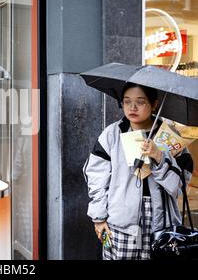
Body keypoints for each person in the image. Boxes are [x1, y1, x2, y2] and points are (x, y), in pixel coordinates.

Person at [83, 82, 193, 260]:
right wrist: (99, 217)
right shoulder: (112, 134)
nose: (132, 107)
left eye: (140, 102)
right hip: (120, 224)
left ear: (154, 104)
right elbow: (96, 178)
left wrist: (159, 156)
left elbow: (179, 187)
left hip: (162, 226)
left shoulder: (172, 137)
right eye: (127, 101)